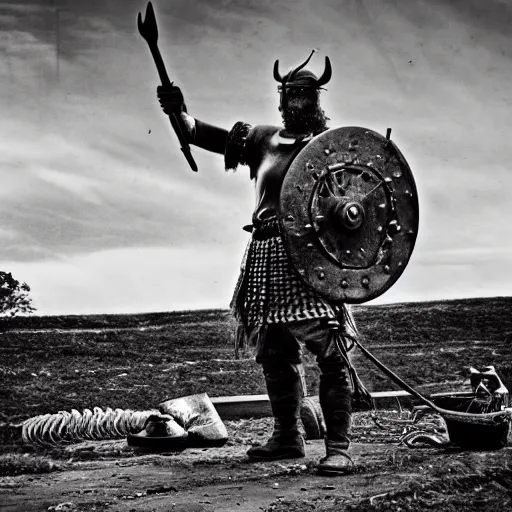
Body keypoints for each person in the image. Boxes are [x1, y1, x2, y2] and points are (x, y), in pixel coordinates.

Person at [156, 51, 367, 476]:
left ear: (318, 98)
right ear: (281, 98)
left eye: (306, 95)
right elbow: (197, 132)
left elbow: (353, 214)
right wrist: (178, 110)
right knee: (274, 352)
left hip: (311, 259)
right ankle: (288, 436)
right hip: (265, 255)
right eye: (290, 94)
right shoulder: (261, 139)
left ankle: (339, 446)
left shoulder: (331, 150)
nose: (297, 101)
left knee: (330, 352)